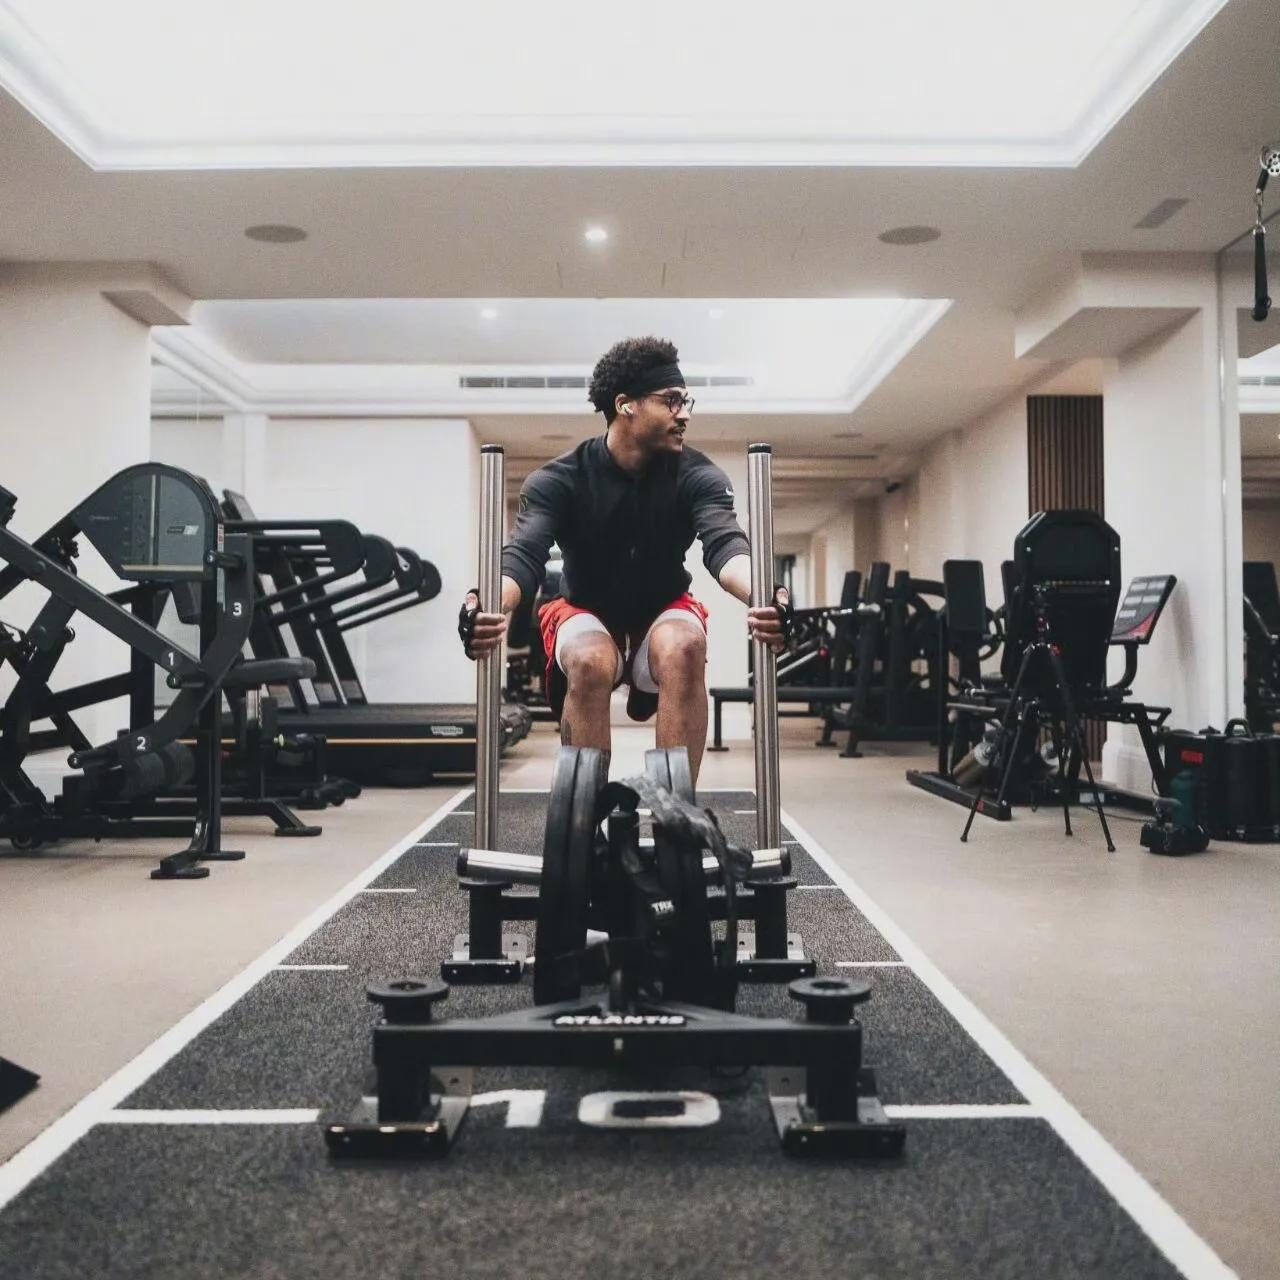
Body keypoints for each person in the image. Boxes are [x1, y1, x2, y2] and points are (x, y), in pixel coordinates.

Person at [459, 336, 789, 783]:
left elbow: (725, 545)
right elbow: (524, 554)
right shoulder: (559, 479)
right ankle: (586, 807)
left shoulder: (697, 474)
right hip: (586, 609)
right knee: (590, 660)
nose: (685, 414)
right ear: (626, 405)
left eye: (686, 401)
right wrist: (487, 605)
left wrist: (766, 595)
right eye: (672, 401)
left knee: (685, 647)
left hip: (662, 611)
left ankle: (676, 811)